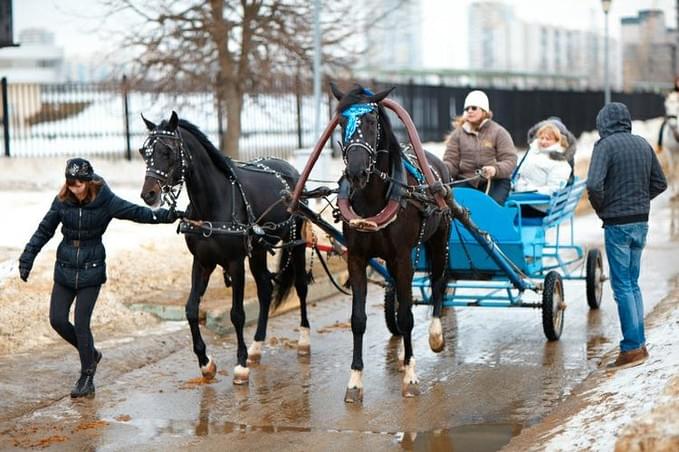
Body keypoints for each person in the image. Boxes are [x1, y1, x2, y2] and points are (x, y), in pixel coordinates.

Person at [18, 158, 182, 398]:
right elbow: (44, 230)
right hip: (65, 268)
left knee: (82, 323)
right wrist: (27, 258)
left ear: (88, 181)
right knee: (57, 320)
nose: (76, 188)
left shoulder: (105, 200)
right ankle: (91, 353)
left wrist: (167, 216)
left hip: (91, 269)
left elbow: (136, 212)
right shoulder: (62, 201)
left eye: (79, 183)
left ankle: (87, 375)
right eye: (71, 183)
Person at [586, 102, 667, 370]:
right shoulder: (643, 144)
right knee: (632, 284)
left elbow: (594, 185)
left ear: (603, 123)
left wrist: (603, 209)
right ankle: (639, 343)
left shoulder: (604, 146)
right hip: (640, 223)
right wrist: (640, 201)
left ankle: (632, 348)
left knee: (622, 286)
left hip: (617, 224)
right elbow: (660, 183)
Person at [443, 90, 517, 205]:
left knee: (490, 208)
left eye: (474, 108)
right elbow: (451, 162)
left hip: (495, 181)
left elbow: (510, 160)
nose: (469, 111)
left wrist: (495, 170)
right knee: (451, 205)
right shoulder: (457, 135)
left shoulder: (499, 132)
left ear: (484, 111)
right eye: (467, 109)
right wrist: (442, 169)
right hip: (466, 180)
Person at [514, 123, 573, 216]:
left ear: (557, 141)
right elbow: (522, 174)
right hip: (527, 199)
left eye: (548, 139)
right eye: (541, 138)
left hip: (538, 206)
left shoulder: (559, 161)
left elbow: (553, 189)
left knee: (502, 210)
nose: (543, 141)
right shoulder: (535, 152)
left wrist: (527, 189)